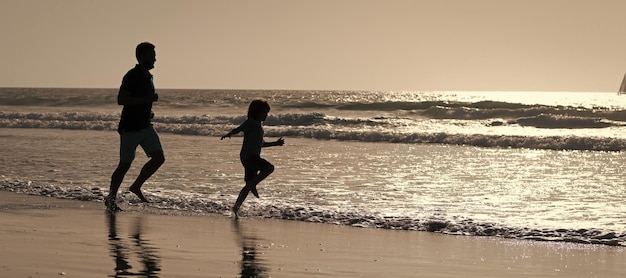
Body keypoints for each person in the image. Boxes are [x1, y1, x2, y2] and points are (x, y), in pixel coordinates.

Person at [105, 42, 165, 212]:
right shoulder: (132, 76)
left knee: (159, 158)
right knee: (124, 164)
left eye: (154, 55)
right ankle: (111, 198)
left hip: (146, 126)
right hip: (130, 128)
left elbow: (140, 102)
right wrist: (147, 99)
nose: (155, 59)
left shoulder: (148, 76)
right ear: (141, 57)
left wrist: (148, 112)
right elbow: (121, 100)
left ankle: (136, 186)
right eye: (151, 55)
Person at [221, 100, 284, 218]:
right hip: (249, 157)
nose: (266, 115)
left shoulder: (259, 127)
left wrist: (276, 143)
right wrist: (229, 134)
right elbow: (239, 128)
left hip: (250, 157)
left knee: (248, 185)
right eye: (264, 113)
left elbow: (261, 144)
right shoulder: (251, 122)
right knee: (269, 168)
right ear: (256, 112)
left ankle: (236, 207)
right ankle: (253, 184)